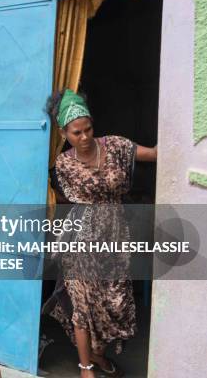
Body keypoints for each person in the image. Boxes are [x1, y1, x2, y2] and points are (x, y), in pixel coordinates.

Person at [43, 89, 157, 378]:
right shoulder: (64, 164)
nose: (83, 137)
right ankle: (85, 368)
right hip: (81, 239)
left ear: (93, 123)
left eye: (88, 129)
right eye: (76, 132)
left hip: (115, 236)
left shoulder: (117, 146)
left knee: (112, 304)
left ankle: (98, 356)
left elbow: (154, 154)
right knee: (83, 305)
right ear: (63, 132)